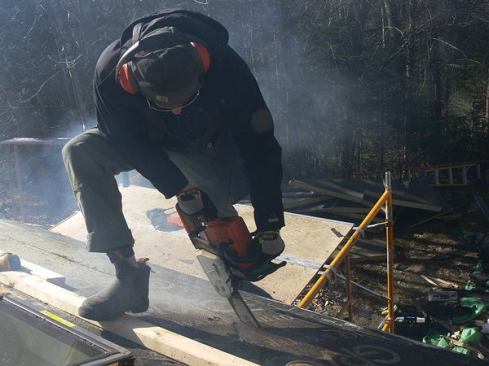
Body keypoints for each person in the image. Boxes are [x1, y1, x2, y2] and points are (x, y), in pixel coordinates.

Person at [62, 9, 285, 321]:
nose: (177, 110)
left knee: (220, 224)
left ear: (201, 66)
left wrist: (270, 222)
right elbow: (124, 141)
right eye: (166, 102)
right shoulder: (111, 73)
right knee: (81, 150)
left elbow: (259, 144)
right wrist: (179, 188)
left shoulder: (225, 67)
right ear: (132, 80)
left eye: (186, 98)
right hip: (146, 143)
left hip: (211, 148)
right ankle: (128, 276)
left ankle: (237, 267)